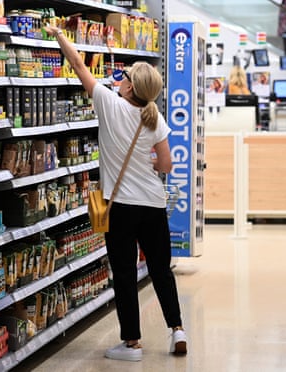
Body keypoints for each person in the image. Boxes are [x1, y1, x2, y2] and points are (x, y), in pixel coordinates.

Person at [44, 24, 187, 362]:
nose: (118, 77)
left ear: (130, 86)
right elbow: (166, 165)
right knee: (160, 269)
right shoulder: (155, 117)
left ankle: (132, 343)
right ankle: (177, 329)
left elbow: (79, 66)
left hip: (120, 205)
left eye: (123, 74)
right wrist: (146, 160)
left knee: (124, 272)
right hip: (152, 203)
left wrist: (58, 35)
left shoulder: (108, 104)